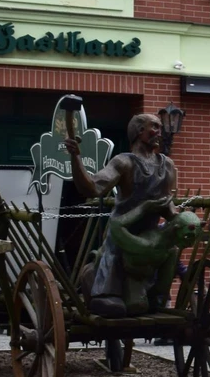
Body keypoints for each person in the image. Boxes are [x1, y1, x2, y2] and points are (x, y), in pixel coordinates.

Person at [66, 113, 178, 318]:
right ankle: (104, 293)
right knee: (117, 246)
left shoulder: (167, 165)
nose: (159, 132)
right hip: (123, 230)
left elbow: (167, 204)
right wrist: (75, 158)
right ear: (139, 131)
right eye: (154, 127)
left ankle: (156, 293)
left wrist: (181, 223)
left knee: (170, 249)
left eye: (160, 128)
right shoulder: (124, 162)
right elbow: (92, 187)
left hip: (150, 234)